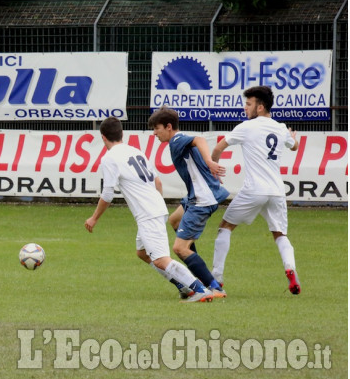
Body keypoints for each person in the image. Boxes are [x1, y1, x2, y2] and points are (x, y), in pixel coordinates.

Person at [84, 117, 214, 303]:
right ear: (122, 134)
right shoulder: (135, 151)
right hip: (155, 208)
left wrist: (94, 218)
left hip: (148, 214)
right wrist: (156, 204)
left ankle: (199, 289)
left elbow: (107, 194)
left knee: (161, 259)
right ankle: (183, 286)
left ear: (103, 137)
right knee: (143, 253)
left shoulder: (109, 158)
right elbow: (158, 181)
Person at [211, 85, 300, 294]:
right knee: (280, 234)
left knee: (224, 228)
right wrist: (291, 137)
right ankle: (291, 270)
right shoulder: (280, 127)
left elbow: (218, 148)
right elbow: (294, 146)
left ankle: (216, 279)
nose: (245, 108)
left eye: (248, 104)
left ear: (260, 107)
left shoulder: (246, 127)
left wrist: (213, 171)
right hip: (277, 191)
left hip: (254, 190)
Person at [148, 107, 228, 298]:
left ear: (168, 126)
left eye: (157, 128)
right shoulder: (178, 140)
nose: (154, 133)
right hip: (197, 196)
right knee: (175, 220)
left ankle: (215, 287)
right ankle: (198, 276)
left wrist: (209, 161)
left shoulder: (176, 140)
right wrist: (208, 171)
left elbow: (200, 140)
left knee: (179, 249)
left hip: (202, 200)